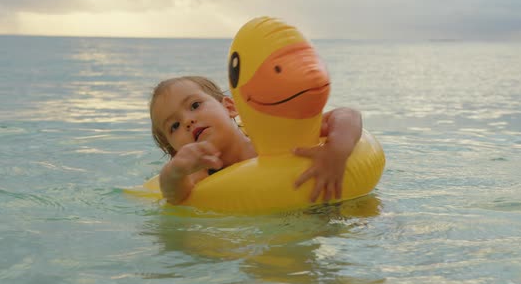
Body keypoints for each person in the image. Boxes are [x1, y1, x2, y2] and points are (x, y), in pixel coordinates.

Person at [149, 76, 362, 205]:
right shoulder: (199, 175)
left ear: (229, 107)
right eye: (174, 126)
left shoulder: (270, 139)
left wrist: (337, 151)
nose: (187, 120)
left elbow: (346, 115)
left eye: (195, 105)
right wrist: (174, 171)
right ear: (175, 150)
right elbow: (175, 196)